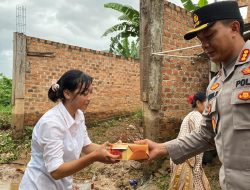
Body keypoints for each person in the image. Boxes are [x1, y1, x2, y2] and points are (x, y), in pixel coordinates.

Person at [136, 1, 250, 189]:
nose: (204, 45)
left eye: (210, 36)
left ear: (234, 28)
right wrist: (161, 147)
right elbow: (206, 134)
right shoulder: (215, 84)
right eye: (200, 40)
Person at [19, 69, 119, 190]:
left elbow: (86, 146)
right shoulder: (51, 124)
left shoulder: (79, 115)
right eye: (84, 93)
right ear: (67, 93)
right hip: (39, 186)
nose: (89, 98)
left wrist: (115, 150)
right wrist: (94, 157)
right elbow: (56, 171)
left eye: (91, 92)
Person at [168, 92, 210, 190]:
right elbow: (202, 137)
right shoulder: (197, 116)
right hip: (187, 162)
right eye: (206, 104)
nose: (209, 107)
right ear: (198, 103)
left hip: (183, 159)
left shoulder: (190, 115)